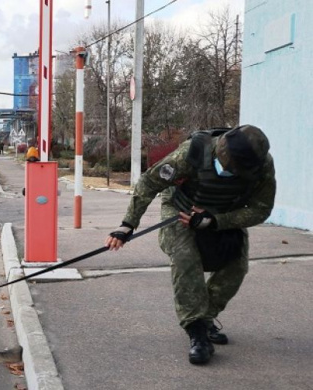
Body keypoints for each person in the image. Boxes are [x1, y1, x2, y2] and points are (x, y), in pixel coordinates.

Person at [104, 125, 276, 365]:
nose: (230, 173)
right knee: (186, 258)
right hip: (179, 208)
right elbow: (148, 183)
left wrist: (217, 220)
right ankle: (197, 333)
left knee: (237, 266)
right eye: (228, 168)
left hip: (222, 214)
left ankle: (205, 319)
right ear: (219, 154)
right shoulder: (191, 154)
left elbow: (262, 208)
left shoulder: (262, 165)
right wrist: (127, 224)